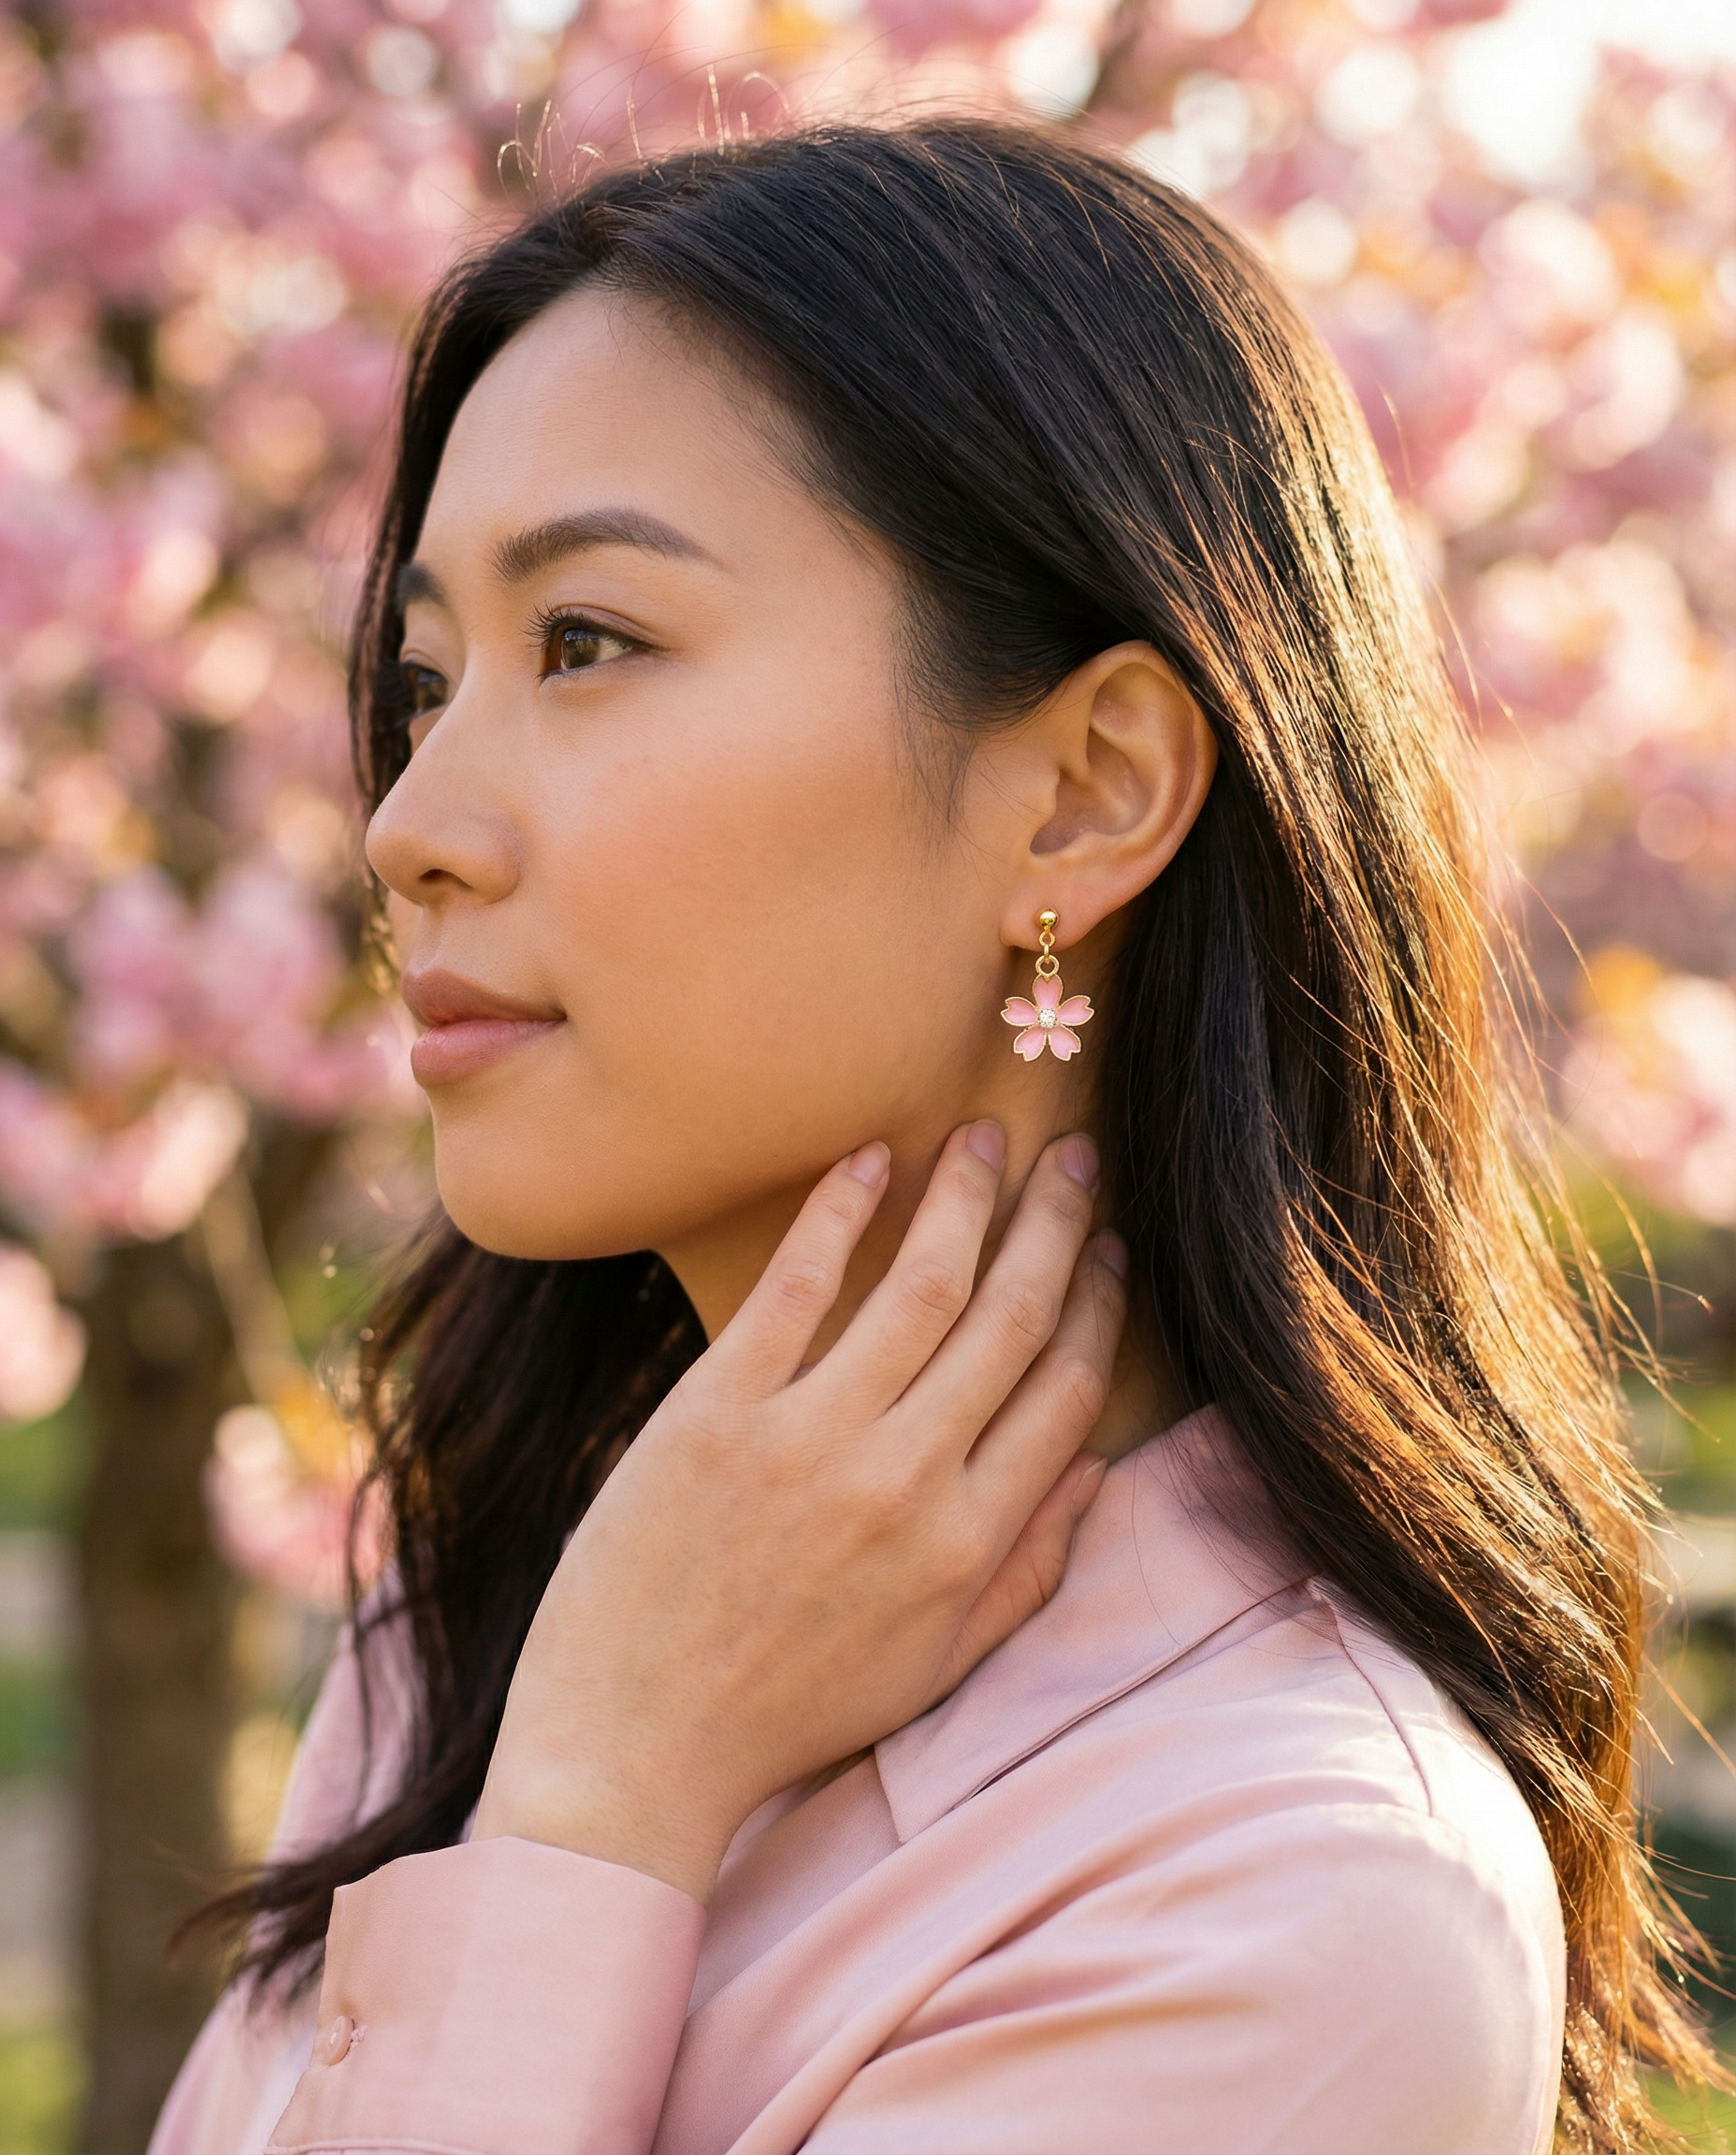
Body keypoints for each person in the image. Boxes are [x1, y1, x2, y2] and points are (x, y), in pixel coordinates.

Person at [149, 119, 1712, 2155]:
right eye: (426, 679)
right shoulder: (492, 1610)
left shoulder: (1298, 1898)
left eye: (589, 645)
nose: (407, 826)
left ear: (1082, 794)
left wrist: (597, 1808)